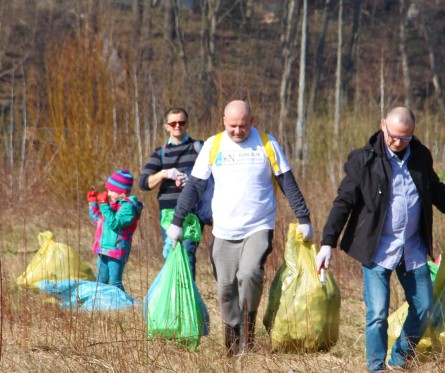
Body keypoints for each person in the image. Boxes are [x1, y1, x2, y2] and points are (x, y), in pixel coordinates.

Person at [314, 107, 445, 373]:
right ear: (383, 126)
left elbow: (436, 190)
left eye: (405, 138)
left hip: (412, 248)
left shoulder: (420, 157)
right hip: (378, 249)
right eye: (393, 136)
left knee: (424, 307)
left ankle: (400, 357)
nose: (398, 142)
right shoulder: (363, 160)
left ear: (412, 134)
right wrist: (326, 243)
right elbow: (343, 201)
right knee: (378, 312)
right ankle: (376, 368)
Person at [166, 100, 313, 356]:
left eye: (242, 126)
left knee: (249, 273)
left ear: (251, 121)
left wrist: (304, 218)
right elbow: (195, 187)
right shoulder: (213, 145)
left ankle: (249, 332)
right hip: (224, 229)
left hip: (259, 225)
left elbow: (287, 182)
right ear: (224, 121)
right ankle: (233, 346)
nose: (237, 131)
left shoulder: (267, 144)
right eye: (232, 126)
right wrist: (177, 221)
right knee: (225, 287)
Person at [140, 108, 204, 280]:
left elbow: (213, 175)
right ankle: (173, 296)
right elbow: (144, 183)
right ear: (167, 127)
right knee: (172, 254)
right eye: (173, 123)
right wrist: (164, 174)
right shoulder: (160, 153)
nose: (178, 126)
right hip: (168, 213)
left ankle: (188, 297)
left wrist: (190, 178)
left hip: (192, 212)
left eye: (181, 123)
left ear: (187, 124)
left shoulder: (199, 148)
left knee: (187, 252)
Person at [87, 169, 143, 292]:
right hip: (104, 248)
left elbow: (114, 223)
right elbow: (99, 219)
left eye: (111, 190)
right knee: (100, 280)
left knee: (115, 282)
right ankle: (101, 303)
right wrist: (93, 204)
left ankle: (122, 306)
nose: (108, 193)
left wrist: (103, 204)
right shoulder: (112, 205)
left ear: (122, 194)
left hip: (117, 250)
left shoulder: (128, 208)